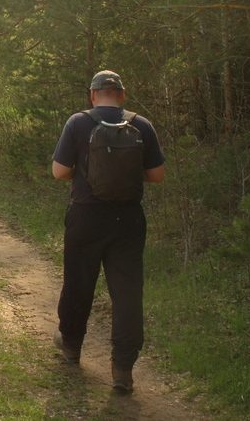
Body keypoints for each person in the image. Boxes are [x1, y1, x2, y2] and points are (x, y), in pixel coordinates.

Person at [51, 70, 165, 392]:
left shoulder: (78, 122)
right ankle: (123, 369)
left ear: (93, 94)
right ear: (123, 95)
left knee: (78, 283)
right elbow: (157, 175)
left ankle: (72, 347)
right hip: (127, 221)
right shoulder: (141, 125)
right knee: (127, 294)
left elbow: (60, 172)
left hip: (86, 216)